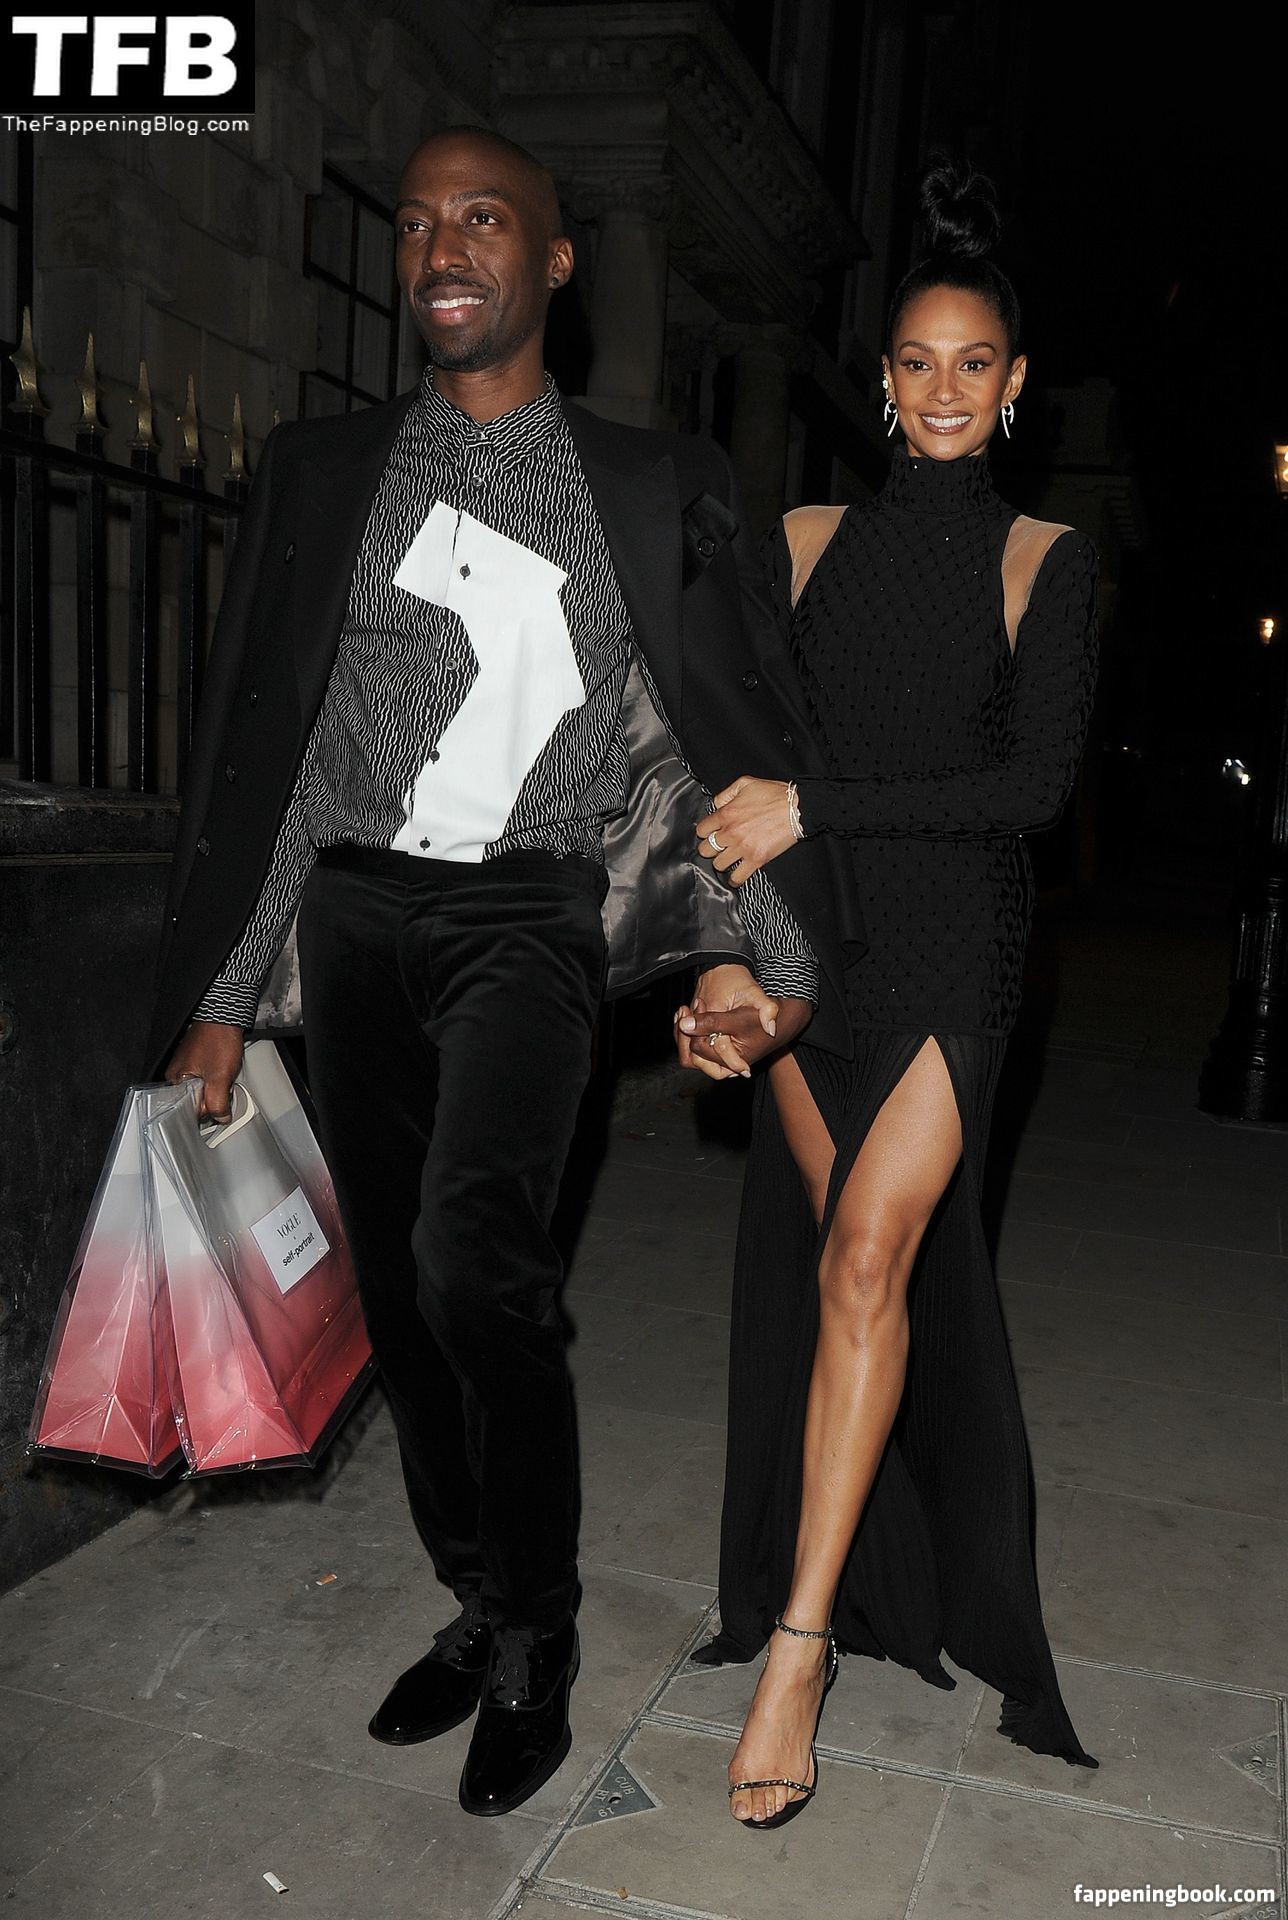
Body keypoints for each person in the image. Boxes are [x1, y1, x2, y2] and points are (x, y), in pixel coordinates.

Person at [147, 126, 860, 1820]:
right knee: (401, 1296)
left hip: (528, 916)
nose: (442, 249)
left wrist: (778, 962)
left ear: (554, 260)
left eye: (483, 219)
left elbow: (716, 730)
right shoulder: (328, 472)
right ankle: (474, 1591)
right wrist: (224, 998)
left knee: (480, 1267)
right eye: (416, 224)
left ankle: (538, 1628)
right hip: (355, 914)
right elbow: (287, 760)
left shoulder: (649, 482)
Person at [676, 163, 1099, 1829]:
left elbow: (1032, 790)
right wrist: (725, 946)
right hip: (814, 952)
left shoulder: (1044, 559)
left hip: (957, 952)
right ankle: (869, 1558)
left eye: (973, 363)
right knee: (848, 1272)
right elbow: (726, 762)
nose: (942, 388)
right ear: (882, 379)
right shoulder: (800, 542)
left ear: (1015, 384)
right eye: (917, 361)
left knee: (867, 1255)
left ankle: (799, 1650)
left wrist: (815, 809)